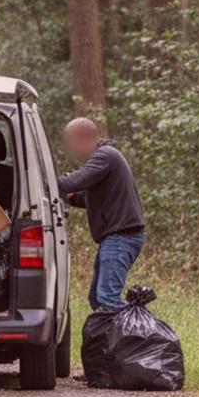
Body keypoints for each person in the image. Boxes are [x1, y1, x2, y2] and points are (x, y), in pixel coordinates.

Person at [57, 118, 145, 312]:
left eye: (71, 141)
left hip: (122, 236)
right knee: (97, 298)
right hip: (116, 237)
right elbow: (87, 198)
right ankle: (111, 337)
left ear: (82, 138)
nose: (71, 148)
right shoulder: (105, 158)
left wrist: (45, 182)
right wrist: (70, 197)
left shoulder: (104, 155)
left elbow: (76, 180)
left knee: (107, 298)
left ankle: (128, 338)